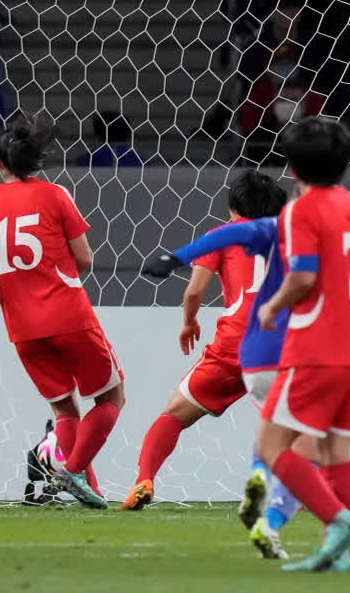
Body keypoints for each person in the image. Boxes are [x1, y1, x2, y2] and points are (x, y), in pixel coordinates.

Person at [144, 210, 350, 561]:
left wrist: (176, 258)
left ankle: (287, 500)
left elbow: (226, 238)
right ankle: (310, 536)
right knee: (329, 450)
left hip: (284, 350)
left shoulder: (293, 230)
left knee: (277, 445)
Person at [0, 113, 123, 510]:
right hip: (68, 315)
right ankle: (70, 470)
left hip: (22, 328)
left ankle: (86, 489)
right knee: (111, 399)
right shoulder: (55, 195)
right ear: (34, 161)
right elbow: (84, 258)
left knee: (64, 408)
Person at [253, 117, 350, 572]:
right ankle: (338, 554)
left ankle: (339, 520)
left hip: (316, 348)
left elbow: (304, 274)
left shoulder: (301, 211)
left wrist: (272, 306)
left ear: (290, 167)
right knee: (335, 451)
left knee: (273, 447)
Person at [121, 171, 287, 512]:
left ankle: (144, 479)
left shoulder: (223, 236)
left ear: (233, 208)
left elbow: (194, 290)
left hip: (233, 347)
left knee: (172, 415)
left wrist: (189, 322)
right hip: (280, 348)